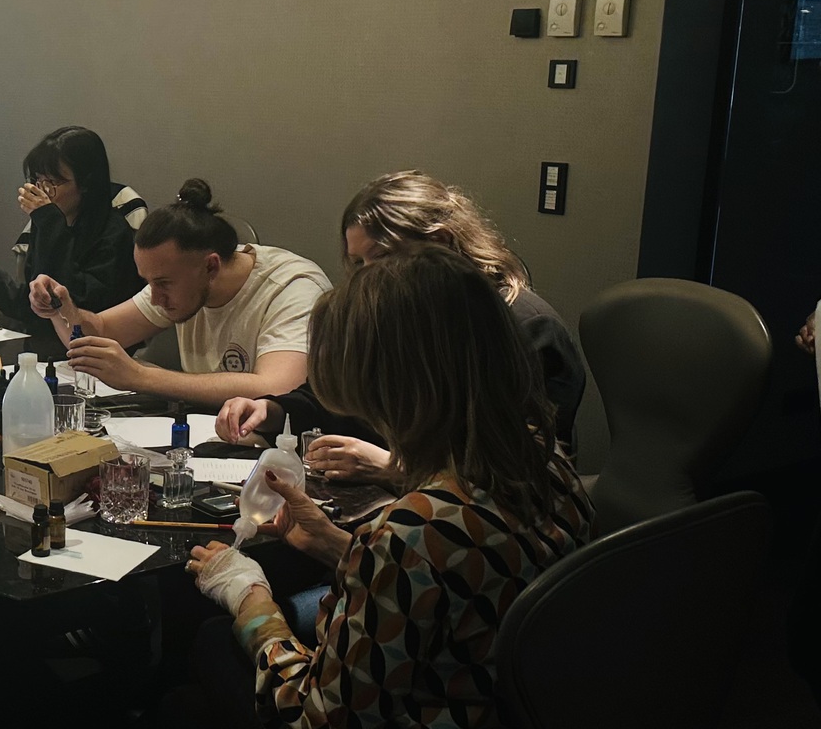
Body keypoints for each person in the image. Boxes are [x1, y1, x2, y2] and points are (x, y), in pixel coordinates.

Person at [181, 244, 592, 728]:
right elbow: (455, 582)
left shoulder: (416, 530)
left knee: (212, 640)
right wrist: (339, 546)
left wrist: (249, 598)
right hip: (498, 690)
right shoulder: (544, 458)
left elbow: (317, 716)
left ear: (390, 392)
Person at [214, 170, 588, 479]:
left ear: (439, 243)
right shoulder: (391, 317)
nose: (365, 277)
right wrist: (274, 411)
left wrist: (390, 466)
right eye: (357, 263)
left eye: (380, 257)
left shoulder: (525, 327)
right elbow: (338, 399)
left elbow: (520, 468)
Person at [33, 179, 330, 406]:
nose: (155, 298)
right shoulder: (177, 277)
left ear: (211, 266)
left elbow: (278, 388)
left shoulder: (293, 289)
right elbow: (99, 332)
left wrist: (141, 376)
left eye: (163, 284)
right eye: (149, 283)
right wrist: (62, 309)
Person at [0, 126, 144, 358]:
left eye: (52, 183)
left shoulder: (113, 233)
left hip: (88, 353)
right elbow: (35, 307)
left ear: (86, 183)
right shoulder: (48, 224)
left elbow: (75, 305)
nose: (43, 192)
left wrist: (50, 223)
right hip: (41, 347)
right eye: (38, 180)